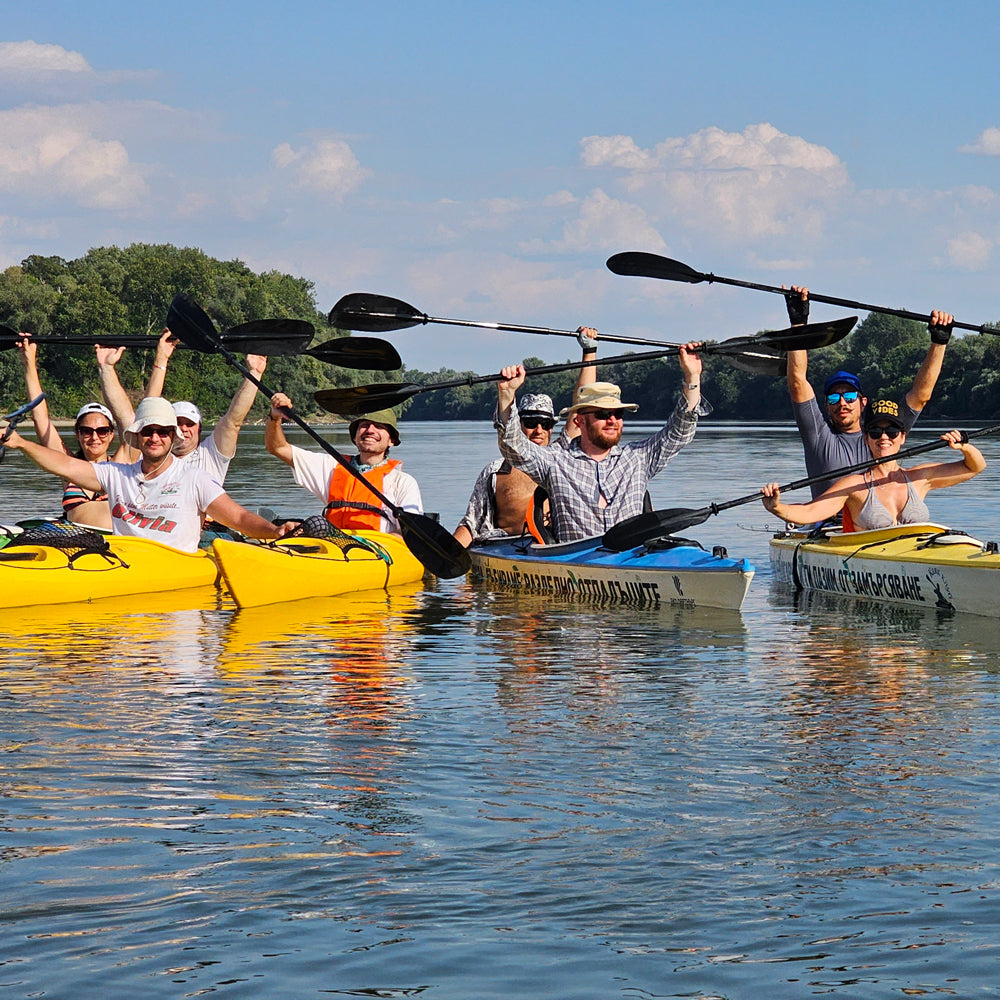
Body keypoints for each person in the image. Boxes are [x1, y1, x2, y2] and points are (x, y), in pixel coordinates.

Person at [1, 397, 294, 553]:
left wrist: (274, 531)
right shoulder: (115, 475)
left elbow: (240, 519)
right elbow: (63, 465)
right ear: (137, 437)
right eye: (148, 431)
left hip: (177, 573)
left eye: (163, 432)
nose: (155, 437)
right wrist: (20, 443)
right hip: (125, 567)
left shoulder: (195, 479)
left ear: (172, 436)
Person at [494, 343, 707, 542]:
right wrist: (506, 395)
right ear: (580, 420)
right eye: (603, 414)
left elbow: (679, 432)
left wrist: (692, 377)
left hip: (633, 560)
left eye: (618, 413)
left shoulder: (638, 458)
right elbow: (513, 447)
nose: (612, 420)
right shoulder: (555, 461)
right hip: (577, 567)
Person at [784, 285, 954, 498]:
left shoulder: (884, 433)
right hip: (830, 524)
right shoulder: (818, 435)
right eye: (834, 397)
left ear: (863, 402)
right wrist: (798, 323)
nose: (842, 403)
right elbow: (798, 383)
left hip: (876, 520)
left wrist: (939, 342)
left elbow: (920, 396)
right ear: (826, 406)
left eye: (849, 396)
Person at [454, 327, 599, 546]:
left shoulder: (563, 457)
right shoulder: (495, 471)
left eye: (546, 423)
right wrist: (447, 558)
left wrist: (589, 351)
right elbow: (471, 523)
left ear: (552, 427)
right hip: (508, 551)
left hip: (556, 548)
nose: (538, 430)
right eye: (530, 423)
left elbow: (582, 403)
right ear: (519, 424)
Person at [761, 398, 985, 530]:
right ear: (866, 438)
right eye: (876, 432)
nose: (884, 437)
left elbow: (974, 467)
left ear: (902, 436)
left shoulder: (920, 477)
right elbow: (810, 513)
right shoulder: (853, 485)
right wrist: (776, 507)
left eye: (892, 431)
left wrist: (964, 446)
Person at [98, 328, 267, 483]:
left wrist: (254, 373)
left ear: (199, 429)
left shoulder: (210, 453)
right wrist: (107, 367)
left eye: (189, 424)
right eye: (178, 423)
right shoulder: (153, 450)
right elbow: (140, 411)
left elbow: (233, 421)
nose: (184, 428)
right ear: (169, 429)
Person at [16, 334, 129, 529]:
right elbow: (41, 419)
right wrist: (29, 360)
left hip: (116, 545)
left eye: (102, 431)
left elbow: (127, 421)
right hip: (74, 541)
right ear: (77, 434)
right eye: (86, 430)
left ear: (111, 434)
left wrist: (106, 368)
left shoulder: (122, 465)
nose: (94, 437)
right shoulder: (67, 466)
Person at [265, 394, 422, 534]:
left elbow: (410, 536)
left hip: (376, 556)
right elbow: (277, 448)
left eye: (379, 427)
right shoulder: (331, 466)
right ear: (355, 437)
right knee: (313, 524)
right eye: (364, 425)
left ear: (391, 441)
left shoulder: (402, 482)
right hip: (333, 550)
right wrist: (275, 417)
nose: (370, 430)